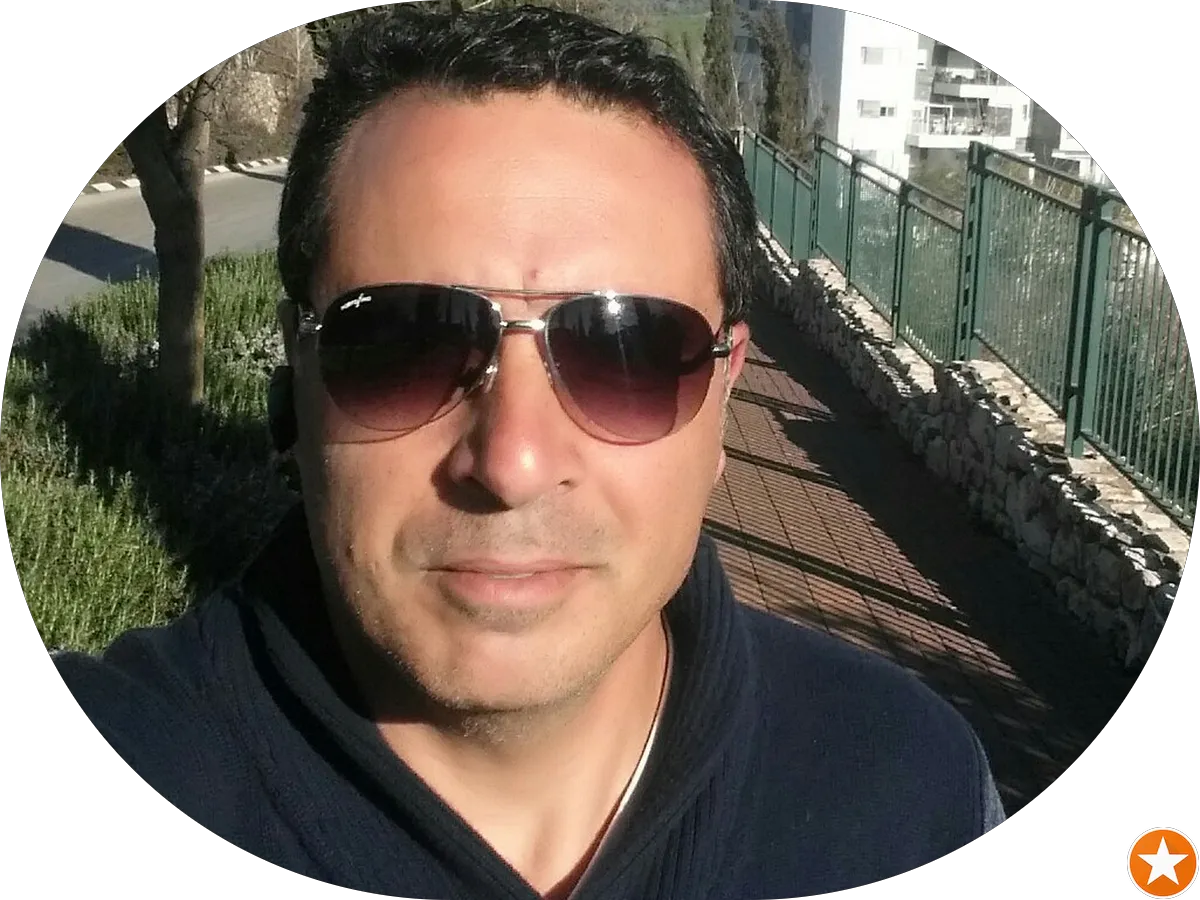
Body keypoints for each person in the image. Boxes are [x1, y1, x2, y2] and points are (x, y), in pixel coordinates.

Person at [49, 4, 1005, 898]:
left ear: (726, 396)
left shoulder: (909, 791)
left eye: (629, 350)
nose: (511, 463)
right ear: (297, 375)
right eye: (404, 343)